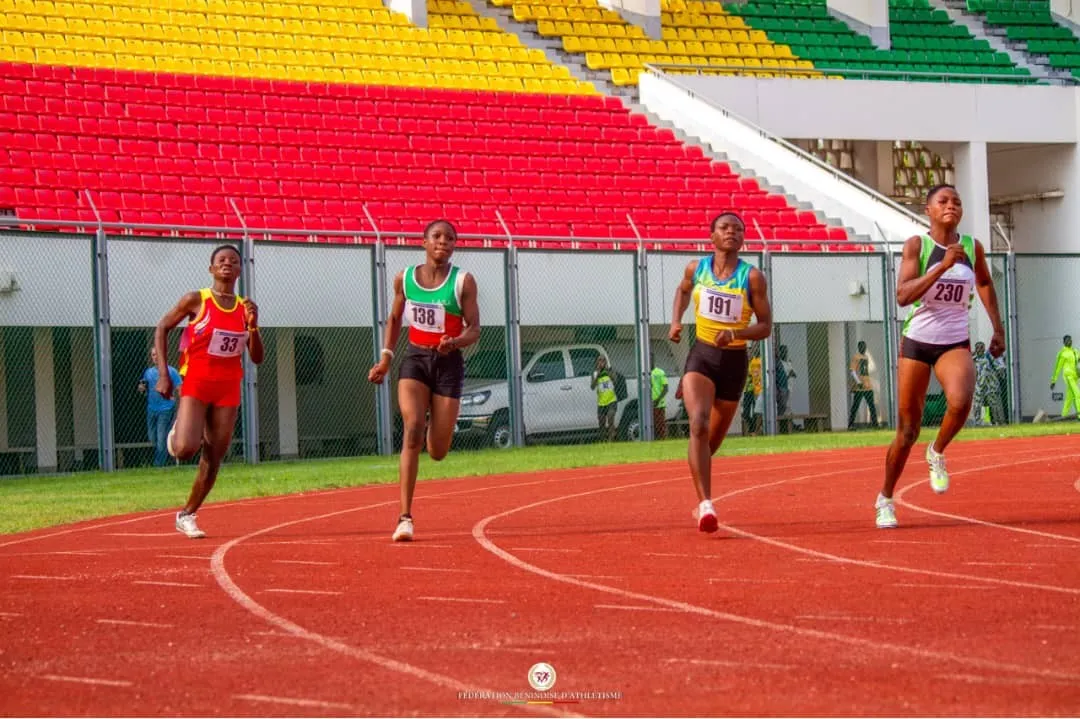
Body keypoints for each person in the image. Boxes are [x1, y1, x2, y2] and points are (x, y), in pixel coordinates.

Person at [875, 185, 1005, 529]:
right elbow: (903, 295)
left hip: (953, 341)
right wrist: (941, 266)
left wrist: (997, 329)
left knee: (961, 401)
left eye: (957, 201)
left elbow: (985, 283)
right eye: (943, 201)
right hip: (917, 342)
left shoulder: (972, 247)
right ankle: (885, 498)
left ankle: (937, 451)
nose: (951, 205)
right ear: (928, 210)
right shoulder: (918, 246)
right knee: (906, 431)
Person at [368, 220, 480, 542]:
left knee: (438, 451)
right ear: (424, 242)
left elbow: (474, 328)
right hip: (416, 359)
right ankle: (405, 517)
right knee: (413, 427)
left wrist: (455, 342)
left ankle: (437, 421)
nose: (443, 242)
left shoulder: (463, 281)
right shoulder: (405, 279)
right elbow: (393, 318)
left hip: (448, 363)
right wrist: (386, 358)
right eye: (437, 237)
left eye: (450, 238)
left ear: (455, 245)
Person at [669, 212, 773, 533]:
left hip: (733, 361)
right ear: (711, 236)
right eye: (725, 228)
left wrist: (736, 334)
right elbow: (683, 291)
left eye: (738, 229)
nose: (732, 233)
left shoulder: (752, 277)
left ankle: (699, 482)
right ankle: (706, 505)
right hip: (702, 356)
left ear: (743, 238)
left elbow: (766, 326)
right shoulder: (696, 269)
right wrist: (676, 321)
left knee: (711, 441)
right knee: (698, 424)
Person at [155, 244, 263, 539]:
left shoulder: (245, 307)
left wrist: (253, 327)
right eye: (221, 260)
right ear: (212, 268)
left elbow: (257, 357)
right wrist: (164, 375)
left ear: (240, 269)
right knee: (185, 449)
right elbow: (162, 327)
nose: (228, 264)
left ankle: (187, 514)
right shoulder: (196, 299)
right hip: (197, 380)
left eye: (234, 261)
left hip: (228, 386)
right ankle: (180, 431)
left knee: (214, 455)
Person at [137, 346, 182, 467]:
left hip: (166, 409)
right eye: (153, 355)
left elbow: (180, 388)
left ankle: (159, 464)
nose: (155, 357)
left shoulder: (171, 371)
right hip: (151, 409)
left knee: (161, 437)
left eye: (158, 354)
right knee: (152, 437)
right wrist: (141, 388)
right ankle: (164, 454)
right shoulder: (148, 372)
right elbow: (144, 388)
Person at [972, 341, 1005, 425]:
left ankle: (998, 421)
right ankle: (985, 421)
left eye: (981, 347)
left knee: (994, 405)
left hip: (991, 386)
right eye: (977, 347)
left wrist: (1000, 372)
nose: (979, 349)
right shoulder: (973, 360)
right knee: (982, 405)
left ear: (984, 348)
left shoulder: (989, 357)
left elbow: (999, 367)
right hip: (979, 387)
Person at [848, 341, 879, 429]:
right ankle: (850, 425)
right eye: (862, 347)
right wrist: (858, 382)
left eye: (865, 347)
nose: (864, 348)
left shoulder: (866, 357)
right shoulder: (856, 357)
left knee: (871, 405)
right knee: (855, 406)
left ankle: (875, 424)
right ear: (859, 347)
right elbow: (852, 371)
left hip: (868, 385)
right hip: (860, 387)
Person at [591, 356, 619, 442]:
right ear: (597, 363)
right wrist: (598, 376)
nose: (601, 362)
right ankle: (603, 439)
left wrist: (608, 373)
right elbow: (592, 387)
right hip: (601, 402)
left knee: (610, 417)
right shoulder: (595, 373)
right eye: (599, 361)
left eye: (603, 361)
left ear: (606, 362)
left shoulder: (610, 371)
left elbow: (615, 381)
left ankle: (611, 438)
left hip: (611, 400)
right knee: (601, 422)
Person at [1050, 334, 1079, 419]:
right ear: (1063, 342)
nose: (1069, 341)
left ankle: (1064, 415)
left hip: (1075, 377)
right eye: (1067, 340)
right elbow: (1057, 368)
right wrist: (1053, 381)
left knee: (1069, 397)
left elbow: (1078, 359)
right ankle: (1079, 415)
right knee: (1077, 394)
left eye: (1070, 339)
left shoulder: (1075, 351)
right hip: (1068, 377)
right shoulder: (1062, 353)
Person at [651, 364, 669, 439]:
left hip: (658, 403)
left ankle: (663, 439)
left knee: (660, 424)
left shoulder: (660, 372)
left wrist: (658, 400)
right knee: (652, 424)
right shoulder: (644, 373)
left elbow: (666, 388)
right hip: (648, 403)